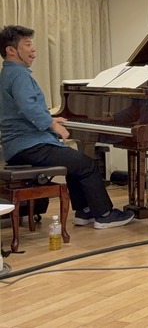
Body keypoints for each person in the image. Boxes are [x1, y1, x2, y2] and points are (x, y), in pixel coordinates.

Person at [0, 25, 134, 229]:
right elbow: (28, 106)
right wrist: (52, 123)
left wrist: (50, 117)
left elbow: (22, 109)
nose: (33, 49)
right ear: (11, 50)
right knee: (86, 164)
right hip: (28, 145)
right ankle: (105, 215)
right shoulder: (19, 75)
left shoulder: (8, 73)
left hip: (18, 146)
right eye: (27, 44)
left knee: (74, 162)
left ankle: (84, 212)